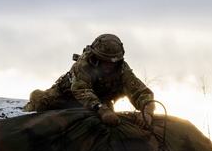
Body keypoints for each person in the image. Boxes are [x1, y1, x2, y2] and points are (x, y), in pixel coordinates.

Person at [23, 33, 155, 128]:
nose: (109, 65)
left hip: (98, 103)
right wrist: (102, 110)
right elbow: (81, 89)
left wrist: (147, 111)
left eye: (112, 62)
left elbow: (142, 93)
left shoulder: (122, 70)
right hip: (67, 97)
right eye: (104, 60)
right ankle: (34, 100)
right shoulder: (84, 64)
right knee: (43, 104)